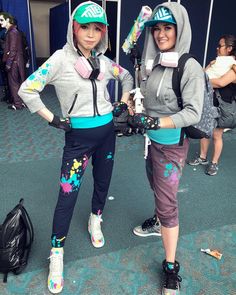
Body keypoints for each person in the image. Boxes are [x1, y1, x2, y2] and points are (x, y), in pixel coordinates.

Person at [18, 1, 133, 294]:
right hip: (77, 140)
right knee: (67, 197)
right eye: (85, 27)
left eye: (97, 28)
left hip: (107, 134)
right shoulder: (60, 59)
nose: (91, 34)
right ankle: (57, 254)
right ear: (74, 27)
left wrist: (124, 102)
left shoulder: (104, 62)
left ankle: (96, 218)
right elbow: (26, 89)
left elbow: (127, 77)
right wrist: (54, 120)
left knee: (103, 183)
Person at [128, 2, 204, 294]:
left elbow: (192, 113)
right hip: (152, 143)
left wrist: (156, 123)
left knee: (168, 202)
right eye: (157, 28)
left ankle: (171, 267)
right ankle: (159, 220)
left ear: (179, 29)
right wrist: (136, 109)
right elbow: (147, 99)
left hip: (172, 147)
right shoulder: (155, 62)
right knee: (156, 187)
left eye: (167, 28)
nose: (161, 34)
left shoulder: (190, 66)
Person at [188, 35, 236, 176]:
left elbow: (220, 83)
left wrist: (203, 80)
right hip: (209, 101)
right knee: (205, 131)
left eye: (220, 46)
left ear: (229, 49)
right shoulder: (216, 63)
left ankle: (214, 163)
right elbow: (202, 74)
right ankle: (202, 157)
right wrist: (208, 67)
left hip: (223, 105)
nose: (217, 48)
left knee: (216, 135)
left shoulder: (233, 68)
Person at [0, 12, 26, 109]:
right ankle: (21, 102)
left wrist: (8, 64)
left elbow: (13, 50)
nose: (0, 22)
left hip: (14, 62)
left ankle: (18, 104)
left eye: (2, 20)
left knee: (14, 84)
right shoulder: (13, 32)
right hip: (17, 61)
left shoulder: (12, 32)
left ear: (8, 20)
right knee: (18, 83)